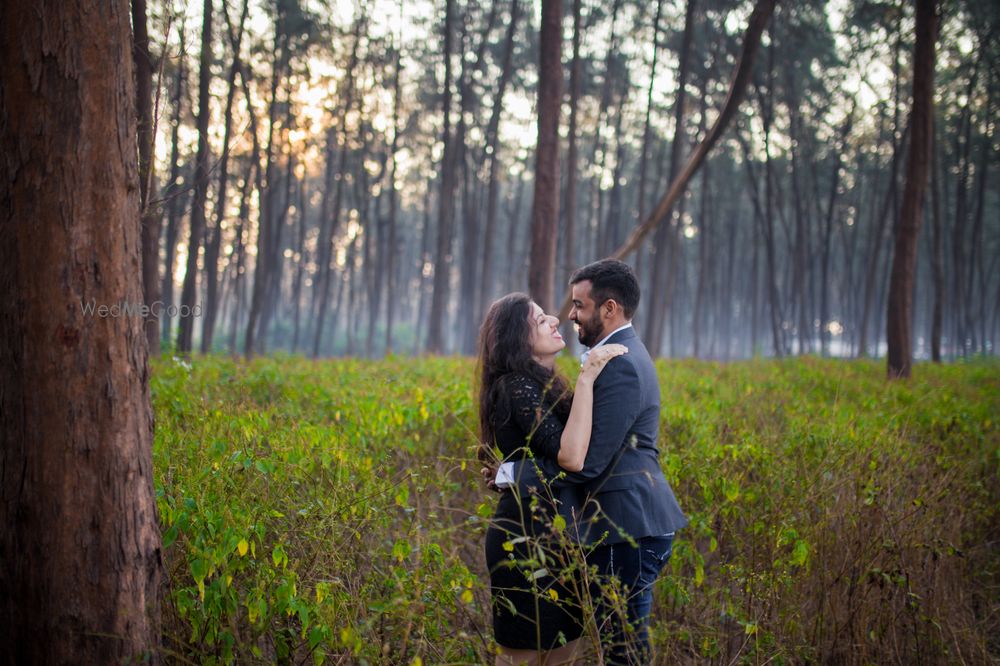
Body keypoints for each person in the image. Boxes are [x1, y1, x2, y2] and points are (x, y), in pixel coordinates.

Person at [498, 259, 687, 665]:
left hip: (626, 527)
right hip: (624, 524)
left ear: (609, 308)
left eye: (579, 305)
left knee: (623, 651)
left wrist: (511, 474)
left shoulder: (619, 366)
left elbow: (587, 463)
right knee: (622, 645)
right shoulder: (614, 357)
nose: (570, 315)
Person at [477, 292, 627, 665]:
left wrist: (510, 473)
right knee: (522, 655)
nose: (555, 320)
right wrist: (588, 377)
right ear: (517, 337)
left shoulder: (544, 383)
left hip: (559, 536)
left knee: (564, 649)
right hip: (523, 538)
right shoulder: (516, 385)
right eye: (540, 319)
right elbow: (570, 457)